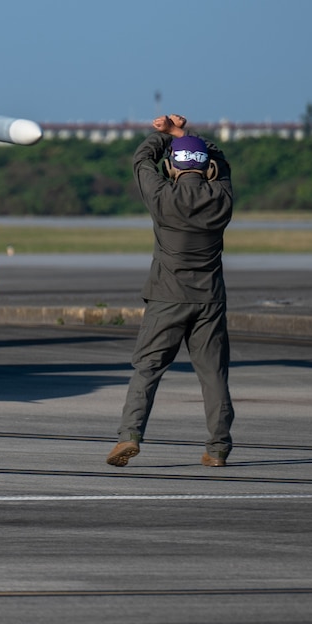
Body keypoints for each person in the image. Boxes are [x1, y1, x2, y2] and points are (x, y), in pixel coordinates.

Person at [106, 114, 235, 469]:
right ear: (207, 168)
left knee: (147, 368)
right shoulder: (221, 197)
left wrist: (163, 134)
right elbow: (220, 159)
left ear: (171, 168)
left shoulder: (162, 196)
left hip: (167, 296)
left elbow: (141, 160)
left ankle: (129, 435)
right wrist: (183, 134)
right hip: (209, 299)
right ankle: (218, 448)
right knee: (213, 374)